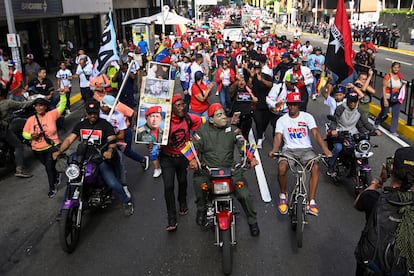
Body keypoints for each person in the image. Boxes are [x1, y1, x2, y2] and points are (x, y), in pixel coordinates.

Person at [52, 99, 134, 216]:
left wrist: (109, 151)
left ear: (98, 112)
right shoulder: (81, 125)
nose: (92, 116)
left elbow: (112, 141)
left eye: (94, 113)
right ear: (86, 112)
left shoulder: (105, 125)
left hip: (100, 159)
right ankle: (63, 210)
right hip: (83, 158)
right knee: (72, 182)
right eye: (90, 113)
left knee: (112, 183)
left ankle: (126, 202)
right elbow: (70, 139)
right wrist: (59, 151)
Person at [190, 103, 261, 236]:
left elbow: (242, 143)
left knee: (245, 194)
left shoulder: (233, 130)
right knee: (199, 184)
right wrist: (193, 160)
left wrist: (250, 158)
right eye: (219, 115)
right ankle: (201, 209)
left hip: (230, 170)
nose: (224, 117)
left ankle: (252, 221)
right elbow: (194, 147)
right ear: (211, 119)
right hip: (209, 171)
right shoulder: (202, 131)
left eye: (223, 113)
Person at [268, 92, 332, 216]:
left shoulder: (307, 117)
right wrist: (275, 149)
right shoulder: (282, 120)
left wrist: (325, 150)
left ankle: (311, 201)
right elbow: (278, 136)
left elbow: (316, 134)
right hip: (289, 151)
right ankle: (283, 194)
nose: (293, 107)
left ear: (299, 105)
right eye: (291, 104)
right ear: (287, 105)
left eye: (295, 104)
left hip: (306, 150)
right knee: (281, 168)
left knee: (315, 167)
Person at [354, 147, 414, 275]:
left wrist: (379, 181)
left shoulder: (374, 198)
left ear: (390, 168)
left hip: (371, 266)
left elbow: (358, 203)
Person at [160, 94, 203, 231]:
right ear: (171, 107)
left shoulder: (188, 118)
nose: (181, 107)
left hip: (183, 157)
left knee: (183, 182)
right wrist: (153, 144)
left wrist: (195, 137)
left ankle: (182, 202)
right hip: (167, 157)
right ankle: (171, 218)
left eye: (182, 104)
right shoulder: (163, 121)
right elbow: (152, 134)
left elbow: (202, 121)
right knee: (168, 187)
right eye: (177, 105)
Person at [22, 92, 67, 197]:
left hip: (51, 147)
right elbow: (24, 133)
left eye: (41, 105)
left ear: (45, 106)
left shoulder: (51, 115)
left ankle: (52, 188)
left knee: (48, 167)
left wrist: (63, 95)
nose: (39, 108)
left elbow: (62, 106)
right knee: (48, 167)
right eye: (36, 106)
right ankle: (56, 176)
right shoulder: (30, 120)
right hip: (37, 149)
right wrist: (31, 136)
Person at [327, 92, 382, 176]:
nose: (353, 103)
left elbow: (365, 123)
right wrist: (333, 130)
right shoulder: (340, 108)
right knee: (338, 148)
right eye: (351, 101)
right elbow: (334, 121)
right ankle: (331, 165)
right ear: (347, 101)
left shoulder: (359, 110)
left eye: (355, 101)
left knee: (359, 148)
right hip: (340, 133)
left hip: (353, 133)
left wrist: (374, 130)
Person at [0, 89, 34, 178]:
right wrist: (35, 101)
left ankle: (12, 160)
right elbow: (22, 105)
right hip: (3, 129)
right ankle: (20, 169)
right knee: (18, 145)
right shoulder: (6, 103)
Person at [374, 62, 406, 136]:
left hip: (396, 98)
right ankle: (378, 121)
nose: (396, 69)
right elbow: (384, 88)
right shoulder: (387, 76)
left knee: (396, 114)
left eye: (398, 67)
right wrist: (385, 99)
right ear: (392, 68)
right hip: (388, 97)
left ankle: (393, 130)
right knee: (384, 113)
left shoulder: (400, 76)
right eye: (395, 67)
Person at [250, 60, 273, 149]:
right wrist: (251, 78)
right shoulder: (252, 77)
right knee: (258, 121)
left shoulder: (266, 76)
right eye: (255, 68)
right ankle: (259, 139)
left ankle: (262, 132)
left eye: (258, 68)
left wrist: (262, 80)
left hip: (266, 103)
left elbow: (270, 85)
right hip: (256, 104)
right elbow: (248, 86)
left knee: (265, 122)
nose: (256, 70)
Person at [137, 105, 164, 178]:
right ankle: (157, 169)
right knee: (153, 153)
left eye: (157, 116)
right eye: (152, 116)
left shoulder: (163, 131)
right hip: (151, 144)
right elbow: (138, 140)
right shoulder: (140, 131)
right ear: (147, 118)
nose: (155, 119)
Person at [230, 74, 258, 139]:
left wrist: (252, 96)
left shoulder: (248, 90)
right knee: (235, 134)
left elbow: (255, 101)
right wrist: (237, 82)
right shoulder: (235, 89)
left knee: (245, 135)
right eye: (240, 81)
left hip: (247, 116)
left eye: (243, 80)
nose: (241, 82)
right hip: (237, 116)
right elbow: (230, 91)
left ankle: (244, 146)